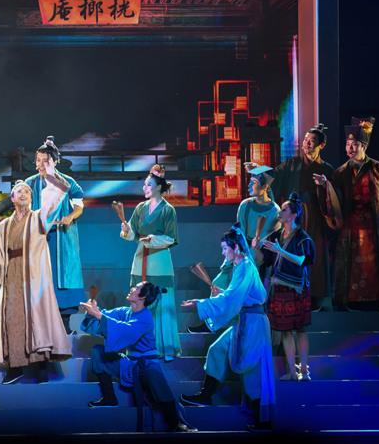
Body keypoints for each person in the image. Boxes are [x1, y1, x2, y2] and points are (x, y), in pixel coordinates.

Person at [0, 157, 72, 385]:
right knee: (13, 319)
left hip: (33, 277)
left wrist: (50, 175)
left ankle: (40, 367)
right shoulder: (4, 225)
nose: (24, 194)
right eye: (19, 191)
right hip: (12, 277)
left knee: (36, 319)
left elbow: (52, 202)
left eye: (27, 192)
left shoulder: (39, 218)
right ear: (12, 198)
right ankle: (15, 367)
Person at [180, 225, 275, 431]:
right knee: (217, 349)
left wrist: (199, 304)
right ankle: (206, 395)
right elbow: (235, 296)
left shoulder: (246, 266)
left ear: (236, 248)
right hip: (245, 320)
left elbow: (233, 299)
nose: (223, 253)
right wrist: (219, 295)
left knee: (252, 367)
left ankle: (262, 418)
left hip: (253, 324)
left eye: (225, 248)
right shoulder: (240, 266)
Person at [79, 281, 195, 432]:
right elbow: (105, 317)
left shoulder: (145, 317)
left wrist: (98, 315)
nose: (132, 289)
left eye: (136, 288)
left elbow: (126, 330)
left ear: (143, 296)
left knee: (155, 376)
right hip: (129, 363)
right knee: (97, 352)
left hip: (147, 363)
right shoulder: (125, 311)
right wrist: (93, 311)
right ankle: (109, 397)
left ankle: (175, 421)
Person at [316, 117, 379, 310]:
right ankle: (351, 301)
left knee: (376, 265)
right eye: (348, 145)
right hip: (351, 227)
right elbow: (334, 200)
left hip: (376, 226)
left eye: (354, 144)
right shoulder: (340, 172)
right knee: (352, 266)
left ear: (363, 146)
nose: (350, 148)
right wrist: (325, 186)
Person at [245, 123, 335, 310]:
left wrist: (326, 185)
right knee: (289, 252)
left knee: (313, 256)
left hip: (315, 218)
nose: (307, 144)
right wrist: (257, 169)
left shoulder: (326, 169)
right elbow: (274, 176)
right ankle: (293, 294)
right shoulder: (292, 165)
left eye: (312, 141)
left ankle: (314, 296)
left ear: (321, 145)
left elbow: (334, 198)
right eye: (305, 140)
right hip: (293, 218)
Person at [120, 164, 181, 361]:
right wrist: (127, 230)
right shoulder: (140, 208)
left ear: (158, 187)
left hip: (159, 259)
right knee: (139, 302)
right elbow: (132, 233)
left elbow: (170, 238)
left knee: (161, 305)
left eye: (148, 184)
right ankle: (138, 348)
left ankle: (164, 348)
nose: (144, 188)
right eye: (144, 184)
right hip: (140, 257)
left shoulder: (168, 210)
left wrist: (152, 239)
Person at [25, 136, 85, 311]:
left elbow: (79, 206)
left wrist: (70, 216)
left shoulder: (67, 182)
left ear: (55, 162)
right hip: (39, 237)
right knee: (39, 277)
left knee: (61, 275)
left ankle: (64, 313)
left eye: (46, 161)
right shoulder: (30, 183)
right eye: (38, 160)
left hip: (61, 237)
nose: (41, 164)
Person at [262, 194, 316, 381]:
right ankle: (292, 371)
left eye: (284, 209)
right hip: (280, 288)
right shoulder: (277, 235)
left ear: (293, 215)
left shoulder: (302, 237)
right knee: (285, 331)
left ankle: (305, 370)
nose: (280, 212)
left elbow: (302, 260)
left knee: (300, 329)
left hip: (296, 288)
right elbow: (265, 256)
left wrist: (280, 250)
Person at [237, 166, 281, 265]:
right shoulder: (245, 205)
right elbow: (240, 232)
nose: (249, 185)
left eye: (254, 182)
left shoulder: (275, 211)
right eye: (250, 181)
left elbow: (264, 238)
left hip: (263, 256)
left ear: (264, 187)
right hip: (243, 253)